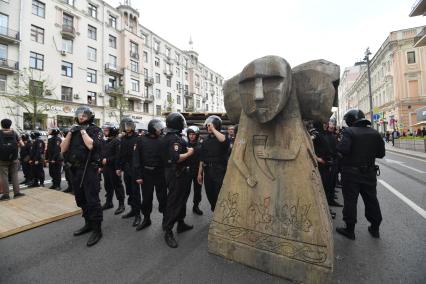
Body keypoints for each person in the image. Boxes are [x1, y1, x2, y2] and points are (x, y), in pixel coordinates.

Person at [336, 109, 385, 240]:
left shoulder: (349, 131)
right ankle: (375, 228)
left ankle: (350, 230)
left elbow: (342, 149)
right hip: (369, 173)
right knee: (371, 200)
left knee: (350, 201)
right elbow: (381, 154)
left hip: (351, 174)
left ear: (350, 120)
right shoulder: (375, 133)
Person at [61, 106, 104, 247]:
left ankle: (97, 229)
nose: (81, 117)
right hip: (75, 169)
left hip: (89, 169)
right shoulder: (73, 131)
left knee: (92, 199)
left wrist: (83, 131)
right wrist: (70, 133)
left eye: (84, 115)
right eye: (79, 115)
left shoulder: (95, 130)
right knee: (80, 198)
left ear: (90, 116)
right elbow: (63, 149)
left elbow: (92, 146)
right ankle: (88, 224)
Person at [162, 112, 194, 248]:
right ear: (177, 124)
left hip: (179, 174)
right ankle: (168, 231)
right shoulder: (174, 139)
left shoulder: (172, 136)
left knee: (181, 200)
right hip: (177, 174)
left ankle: (180, 223)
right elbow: (176, 158)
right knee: (174, 202)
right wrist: (189, 153)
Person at [134, 118, 167, 231]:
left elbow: (166, 158)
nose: (160, 129)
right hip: (146, 174)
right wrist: (138, 175)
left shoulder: (163, 139)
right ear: (152, 129)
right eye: (158, 128)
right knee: (147, 198)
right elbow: (136, 158)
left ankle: (165, 219)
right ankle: (146, 219)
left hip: (160, 174)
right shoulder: (141, 140)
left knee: (162, 197)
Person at [197, 115, 230, 211]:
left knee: (219, 194)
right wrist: (199, 173)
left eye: (211, 125)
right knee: (210, 194)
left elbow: (224, 141)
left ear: (217, 126)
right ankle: (215, 211)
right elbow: (202, 158)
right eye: (208, 126)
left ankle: (220, 214)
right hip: (208, 171)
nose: (209, 128)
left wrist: (214, 129)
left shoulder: (222, 137)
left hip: (219, 171)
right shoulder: (205, 140)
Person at [116, 117, 142, 227]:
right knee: (129, 191)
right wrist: (119, 167)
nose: (127, 128)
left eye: (129, 126)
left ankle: (138, 215)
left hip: (135, 169)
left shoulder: (138, 139)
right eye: (126, 126)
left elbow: (141, 156)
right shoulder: (123, 139)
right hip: (126, 169)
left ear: (133, 127)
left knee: (135, 192)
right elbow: (120, 154)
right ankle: (132, 210)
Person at [100, 125, 125, 215]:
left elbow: (118, 156)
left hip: (114, 168)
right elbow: (103, 153)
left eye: (106, 130)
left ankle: (121, 204)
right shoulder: (106, 141)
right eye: (104, 130)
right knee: (108, 186)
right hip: (106, 168)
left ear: (112, 131)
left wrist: (109, 160)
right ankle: (109, 202)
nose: (104, 132)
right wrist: (101, 166)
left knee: (117, 186)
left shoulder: (117, 141)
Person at [0, 119, 25, 200]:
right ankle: (17, 193)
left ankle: (6, 195)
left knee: (4, 176)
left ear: (1, 125)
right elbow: (22, 144)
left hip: (2, 159)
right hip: (14, 158)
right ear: (10, 125)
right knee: (14, 175)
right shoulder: (14, 133)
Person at [186, 125, 203, 215]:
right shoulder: (185, 144)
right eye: (190, 134)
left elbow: (201, 160)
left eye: (193, 134)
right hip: (187, 171)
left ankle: (195, 206)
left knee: (197, 190)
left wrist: (200, 174)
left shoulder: (200, 145)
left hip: (197, 170)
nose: (191, 136)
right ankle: (182, 208)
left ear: (197, 135)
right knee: (185, 190)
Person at [61, 128, 73, 193]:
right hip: (66, 160)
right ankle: (70, 187)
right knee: (67, 176)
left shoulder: (72, 141)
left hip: (71, 162)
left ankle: (74, 189)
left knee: (72, 177)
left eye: (63, 133)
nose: (62, 134)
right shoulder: (66, 140)